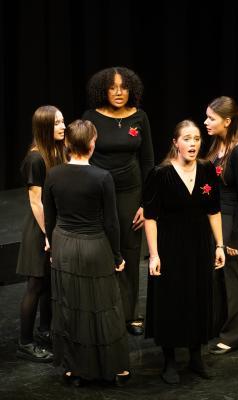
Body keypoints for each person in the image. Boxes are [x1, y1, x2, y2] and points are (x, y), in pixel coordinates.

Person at [43, 119, 130, 387]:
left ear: (68, 144)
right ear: (93, 144)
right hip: (95, 246)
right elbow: (112, 223)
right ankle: (112, 367)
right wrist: (117, 256)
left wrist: (54, 247)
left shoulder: (53, 175)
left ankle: (74, 368)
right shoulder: (102, 177)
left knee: (71, 306)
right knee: (103, 308)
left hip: (64, 245)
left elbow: (50, 218)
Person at [143, 120, 225, 384]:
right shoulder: (160, 174)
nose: (193, 144)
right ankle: (169, 360)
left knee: (199, 294)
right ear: (175, 143)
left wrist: (220, 245)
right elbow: (151, 217)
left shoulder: (207, 169)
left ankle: (195, 355)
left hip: (200, 244)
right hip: (170, 246)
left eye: (197, 139)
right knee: (171, 298)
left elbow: (214, 210)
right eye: (187, 139)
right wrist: (154, 255)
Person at [82, 66, 154, 336]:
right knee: (102, 251)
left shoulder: (140, 117)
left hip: (131, 192)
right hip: (99, 193)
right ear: (103, 90)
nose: (118, 92)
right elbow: (82, 156)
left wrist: (146, 203)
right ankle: (103, 310)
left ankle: (129, 314)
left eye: (123, 87)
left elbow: (147, 161)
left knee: (131, 252)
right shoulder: (91, 117)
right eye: (112, 87)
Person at [204, 96, 238, 354]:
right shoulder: (218, 145)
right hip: (218, 216)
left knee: (233, 275)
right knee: (216, 274)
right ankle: (218, 325)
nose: (206, 122)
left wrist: (234, 239)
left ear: (227, 121)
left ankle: (236, 335)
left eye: (211, 118)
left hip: (234, 218)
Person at [16, 105, 66, 362]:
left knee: (48, 283)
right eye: (57, 123)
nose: (63, 126)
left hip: (53, 225)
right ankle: (25, 342)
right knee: (35, 285)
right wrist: (48, 233)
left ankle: (45, 330)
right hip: (40, 229)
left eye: (62, 121)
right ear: (46, 127)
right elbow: (36, 201)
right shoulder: (36, 158)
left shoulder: (57, 151)